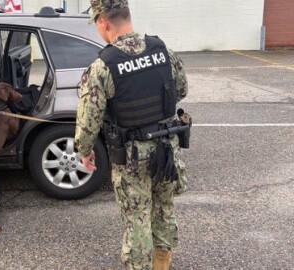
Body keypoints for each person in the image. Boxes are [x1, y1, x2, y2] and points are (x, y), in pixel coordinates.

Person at [74, 0, 189, 269]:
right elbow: (181, 90)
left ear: (104, 22)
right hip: (167, 146)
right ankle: (163, 263)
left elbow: (89, 120)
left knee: (136, 216)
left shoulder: (103, 66)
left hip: (132, 155)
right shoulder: (163, 51)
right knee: (164, 207)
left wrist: (85, 150)